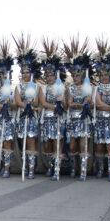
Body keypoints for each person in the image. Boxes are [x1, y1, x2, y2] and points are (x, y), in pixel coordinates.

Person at [63, 37, 93, 180]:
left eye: (77, 74)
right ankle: (73, 167)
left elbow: (90, 103)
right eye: (73, 74)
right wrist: (80, 105)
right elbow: (69, 104)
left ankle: (83, 169)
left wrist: (81, 104)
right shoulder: (70, 88)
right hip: (73, 118)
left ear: (82, 74)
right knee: (73, 144)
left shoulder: (87, 87)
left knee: (83, 143)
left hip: (83, 119)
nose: (75, 77)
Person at [13, 33, 42, 179]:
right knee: (22, 141)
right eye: (23, 72)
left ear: (31, 73)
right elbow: (17, 101)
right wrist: (26, 105)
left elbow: (39, 102)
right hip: (22, 117)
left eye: (27, 72)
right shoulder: (18, 87)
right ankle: (24, 166)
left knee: (31, 141)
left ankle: (32, 168)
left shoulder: (37, 87)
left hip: (31, 118)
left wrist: (33, 103)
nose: (25, 75)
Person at [92, 39, 110, 181]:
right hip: (100, 119)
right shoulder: (96, 88)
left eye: (106, 75)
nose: (104, 77)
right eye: (102, 75)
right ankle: (100, 169)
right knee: (99, 146)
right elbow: (98, 104)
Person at [38, 38, 68, 180]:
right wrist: (55, 106)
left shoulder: (63, 87)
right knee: (47, 143)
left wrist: (62, 104)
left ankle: (57, 169)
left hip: (59, 119)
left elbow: (67, 105)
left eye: (52, 74)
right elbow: (43, 102)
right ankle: (50, 166)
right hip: (47, 118)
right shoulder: (43, 88)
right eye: (47, 75)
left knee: (58, 141)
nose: (49, 77)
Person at [0, 39, 16, 178]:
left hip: (8, 120)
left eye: (6, 77)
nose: (3, 79)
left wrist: (9, 104)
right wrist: (3, 105)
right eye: (1, 76)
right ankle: (0, 165)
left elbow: (15, 105)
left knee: (7, 142)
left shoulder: (13, 91)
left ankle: (7, 167)